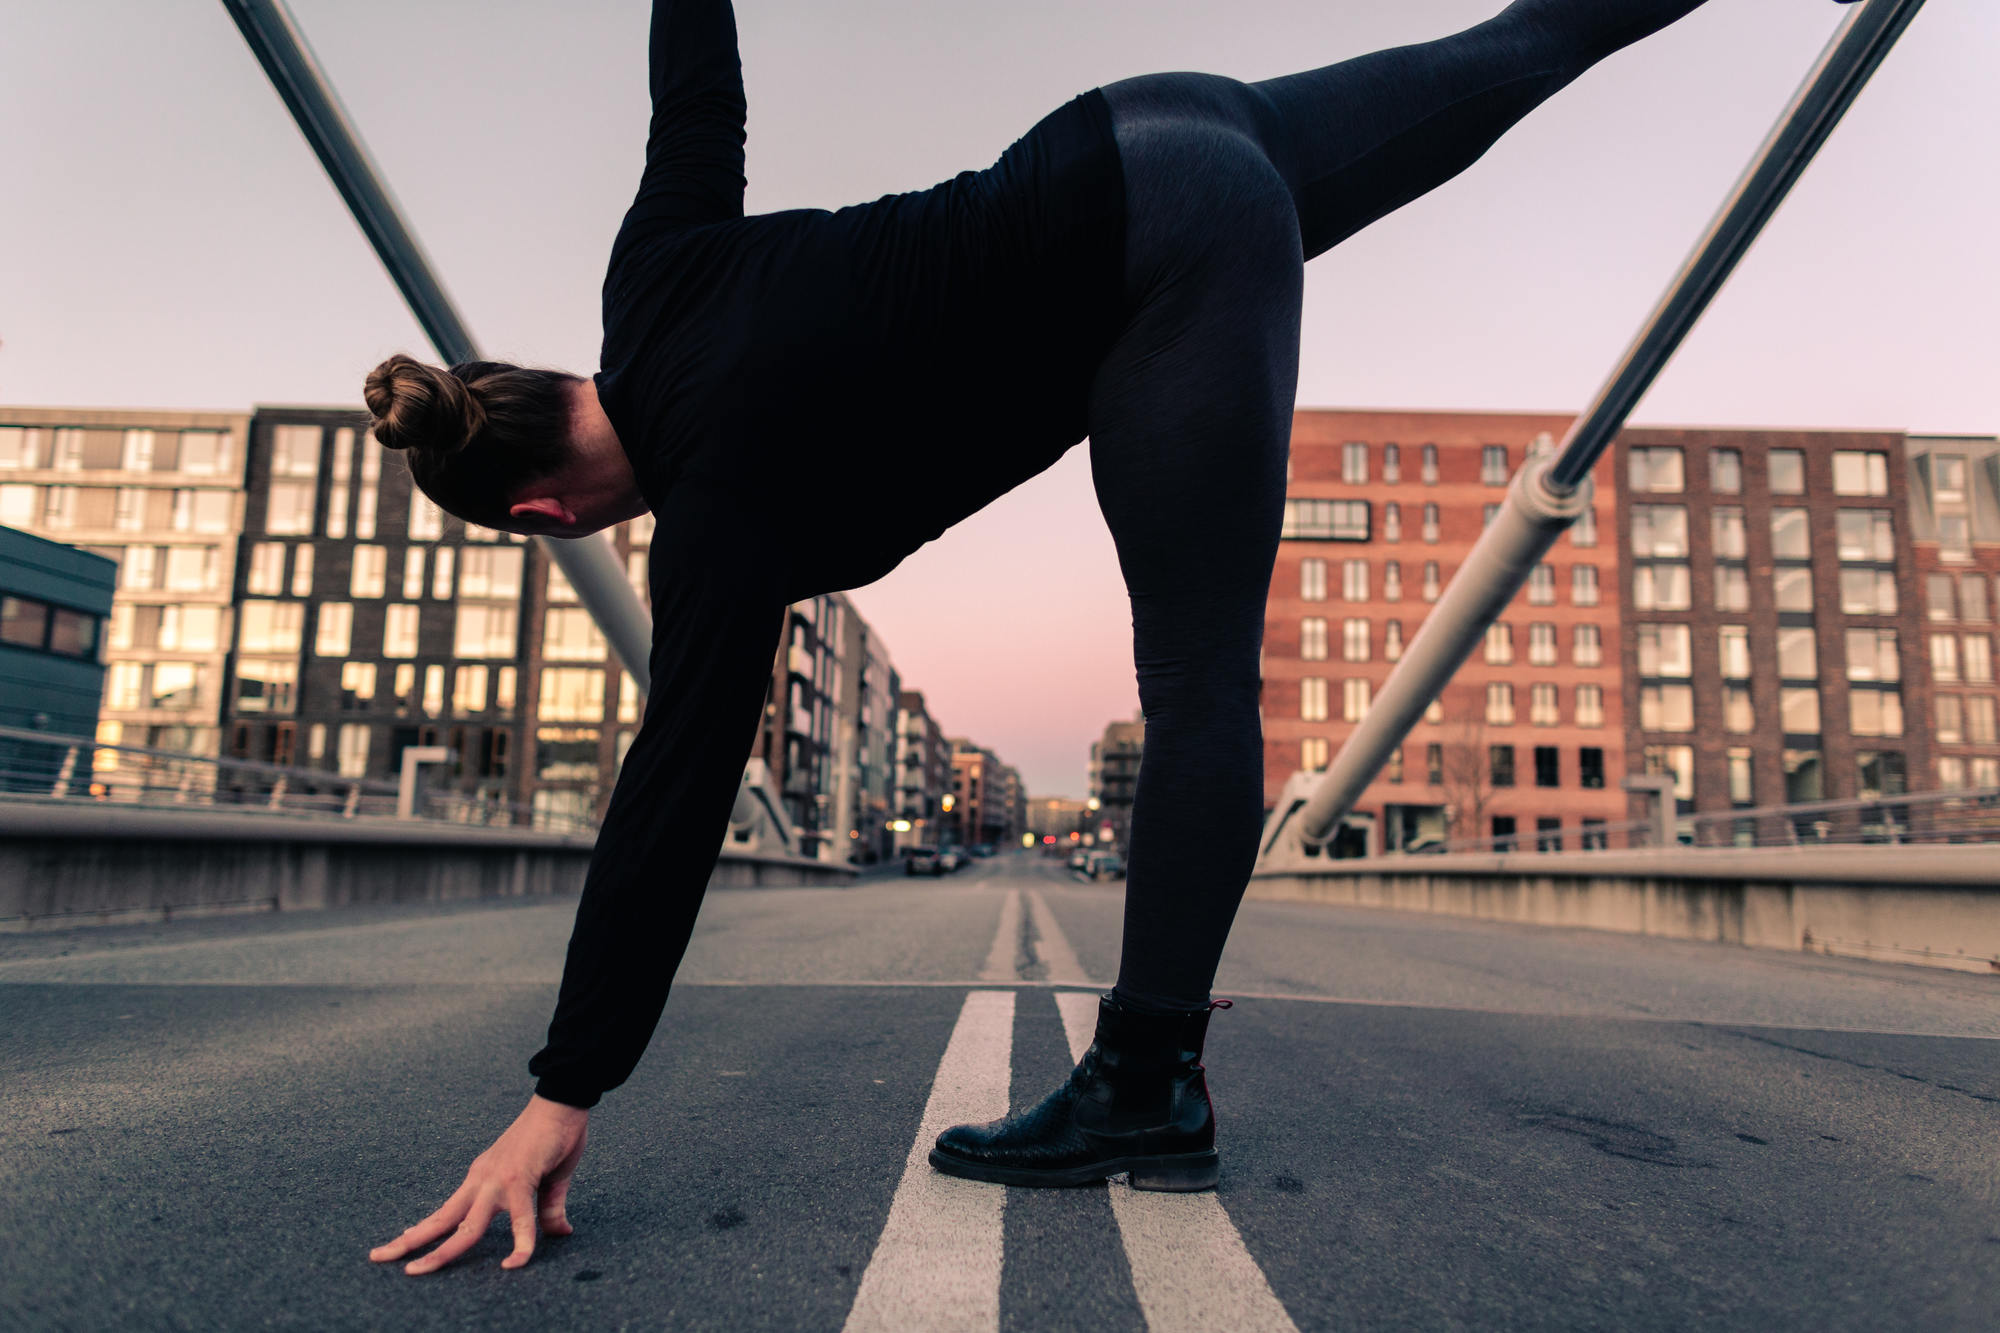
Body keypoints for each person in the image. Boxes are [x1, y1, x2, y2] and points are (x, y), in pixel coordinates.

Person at [364, 0, 1808, 1276]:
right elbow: (699, 86)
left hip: (1160, 255)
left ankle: (1145, 1085)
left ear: (546, 511)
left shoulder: (715, 519)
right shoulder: (657, 270)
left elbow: (667, 804)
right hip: (1159, 123)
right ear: (553, 377)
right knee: (1515, 47)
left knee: (1195, 686)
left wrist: (566, 1088)